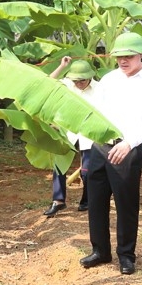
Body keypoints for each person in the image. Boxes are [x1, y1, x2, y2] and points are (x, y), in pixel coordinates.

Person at [80, 32, 142, 275]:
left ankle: (126, 255)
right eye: (119, 56)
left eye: (128, 56)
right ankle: (100, 250)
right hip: (101, 145)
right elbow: (97, 111)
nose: (123, 61)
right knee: (96, 200)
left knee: (126, 204)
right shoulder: (108, 80)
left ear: (140, 55)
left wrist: (129, 143)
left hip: (128, 148)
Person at [43, 57, 98, 217]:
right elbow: (47, 83)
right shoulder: (67, 84)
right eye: (75, 80)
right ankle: (58, 201)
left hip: (90, 132)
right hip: (68, 131)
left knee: (87, 171)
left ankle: (87, 200)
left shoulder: (100, 88)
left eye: (82, 80)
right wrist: (62, 66)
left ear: (89, 76)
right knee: (59, 167)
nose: (78, 83)